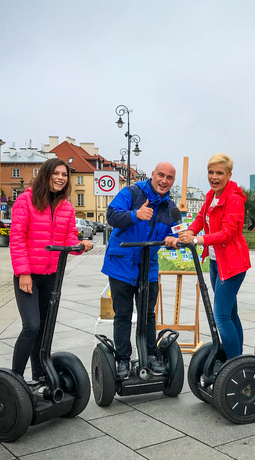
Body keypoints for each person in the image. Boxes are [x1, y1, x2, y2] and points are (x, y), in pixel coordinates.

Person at [10, 157, 93, 382]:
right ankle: (15, 379)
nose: (60, 178)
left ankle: (39, 376)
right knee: (31, 326)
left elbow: (69, 239)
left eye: (64, 175)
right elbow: (17, 238)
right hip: (29, 276)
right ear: (46, 175)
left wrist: (80, 246)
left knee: (45, 329)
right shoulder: (25, 201)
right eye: (56, 173)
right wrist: (24, 273)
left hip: (52, 277)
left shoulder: (66, 207)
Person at [102, 162, 180, 379]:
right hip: (121, 264)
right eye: (161, 175)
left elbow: (179, 231)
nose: (164, 181)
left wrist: (175, 239)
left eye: (170, 178)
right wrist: (136, 214)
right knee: (123, 314)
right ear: (152, 175)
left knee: (148, 314)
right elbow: (112, 216)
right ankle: (123, 360)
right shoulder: (131, 193)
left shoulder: (170, 207)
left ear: (173, 181)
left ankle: (150, 355)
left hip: (149, 266)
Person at [178, 154, 251, 360]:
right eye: (211, 172)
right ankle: (237, 358)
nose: (214, 177)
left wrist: (198, 240)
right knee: (230, 313)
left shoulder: (234, 198)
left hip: (232, 262)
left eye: (219, 173)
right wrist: (191, 231)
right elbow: (201, 218)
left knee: (220, 316)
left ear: (229, 174)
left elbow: (228, 233)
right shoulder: (212, 195)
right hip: (215, 261)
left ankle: (233, 364)